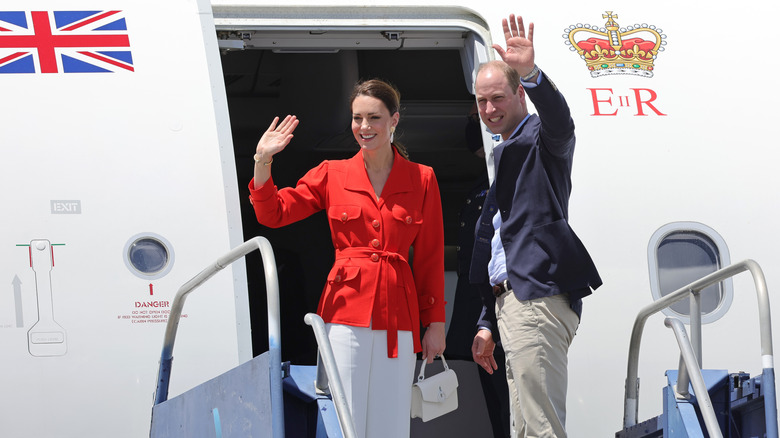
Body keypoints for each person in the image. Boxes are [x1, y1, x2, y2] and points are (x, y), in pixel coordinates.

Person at [247, 79, 446, 438]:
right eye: (357, 118)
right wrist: (264, 160)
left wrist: (435, 323)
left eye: (374, 117)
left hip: (398, 316)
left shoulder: (422, 178)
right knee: (345, 419)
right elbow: (273, 213)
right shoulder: (332, 173)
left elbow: (430, 256)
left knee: (391, 422)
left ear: (394, 120)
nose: (364, 127)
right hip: (345, 311)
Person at [469, 15, 602, 438]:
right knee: (525, 429)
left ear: (519, 96)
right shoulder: (505, 152)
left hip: (537, 300)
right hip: (514, 304)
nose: (489, 109)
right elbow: (499, 251)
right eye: (481, 101)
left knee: (541, 428)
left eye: (498, 98)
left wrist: (532, 73)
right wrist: (488, 320)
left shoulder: (543, 141)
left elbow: (561, 121)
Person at [444, 104, 510, 437]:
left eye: (478, 120)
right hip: (479, 311)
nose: (476, 124)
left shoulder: (509, 180)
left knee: (510, 399)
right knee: (494, 402)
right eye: (472, 118)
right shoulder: (478, 188)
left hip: (504, 307)